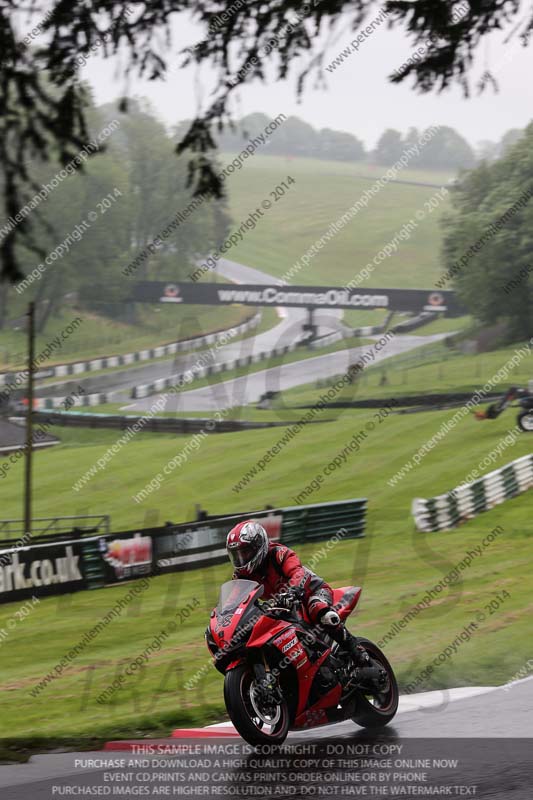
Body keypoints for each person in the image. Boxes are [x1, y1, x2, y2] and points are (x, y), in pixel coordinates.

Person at [226, 519, 367, 664]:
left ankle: (356, 650)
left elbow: (298, 573)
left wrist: (293, 590)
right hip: (282, 604)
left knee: (319, 610)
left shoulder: (278, 554)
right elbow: (234, 599)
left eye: (245, 552)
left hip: (311, 592)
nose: (241, 559)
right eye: (237, 555)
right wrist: (225, 616)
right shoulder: (242, 575)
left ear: (258, 546)